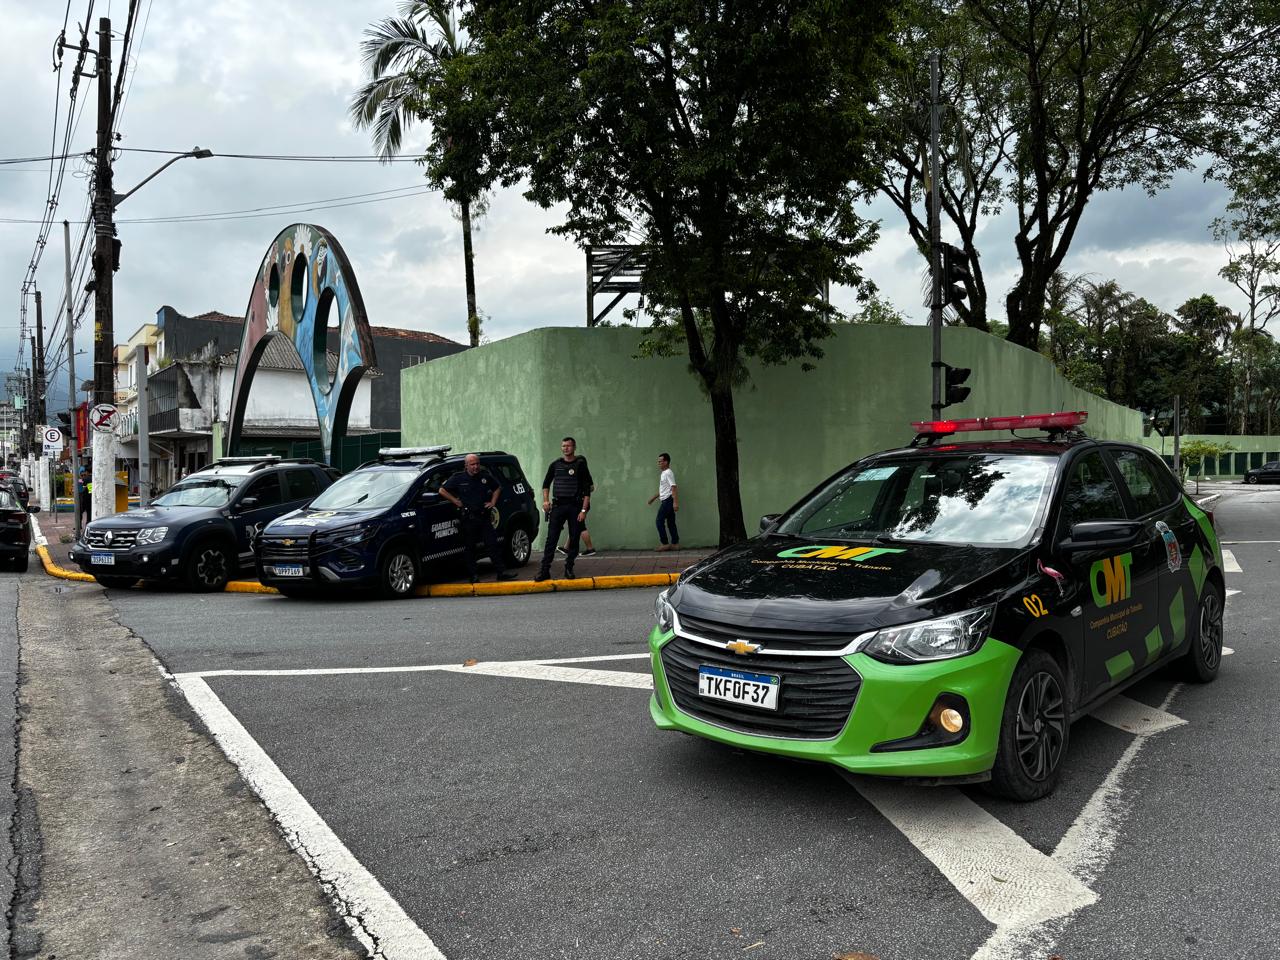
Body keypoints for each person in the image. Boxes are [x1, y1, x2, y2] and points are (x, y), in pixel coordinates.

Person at [440, 454, 517, 583]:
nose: (475, 467)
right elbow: (442, 490)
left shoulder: (485, 476)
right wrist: (455, 501)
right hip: (469, 518)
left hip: (484, 517)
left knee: (492, 545)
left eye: (477, 464)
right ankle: (474, 575)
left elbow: (497, 488)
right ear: (466, 466)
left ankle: (501, 572)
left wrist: (493, 502)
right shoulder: (458, 478)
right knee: (470, 548)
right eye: (472, 464)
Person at [535, 437, 593, 581]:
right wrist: (546, 501)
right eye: (563, 446)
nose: (566, 448)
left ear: (574, 447)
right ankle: (544, 570)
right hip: (558, 506)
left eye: (568, 446)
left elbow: (587, 490)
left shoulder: (580, 465)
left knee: (574, 539)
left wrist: (583, 511)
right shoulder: (555, 465)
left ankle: (569, 568)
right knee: (551, 540)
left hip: (575, 506)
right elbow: (546, 484)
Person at [647, 452, 679, 551]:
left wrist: (675, 502)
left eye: (661, 461)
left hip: (668, 501)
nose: (659, 463)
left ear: (666, 462)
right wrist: (653, 498)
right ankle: (675, 544)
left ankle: (665, 543)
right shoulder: (664, 473)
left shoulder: (668, 473)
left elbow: (673, 487)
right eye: (658, 462)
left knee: (659, 521)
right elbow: (664, 490)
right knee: (671, 523)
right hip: (666, 500)